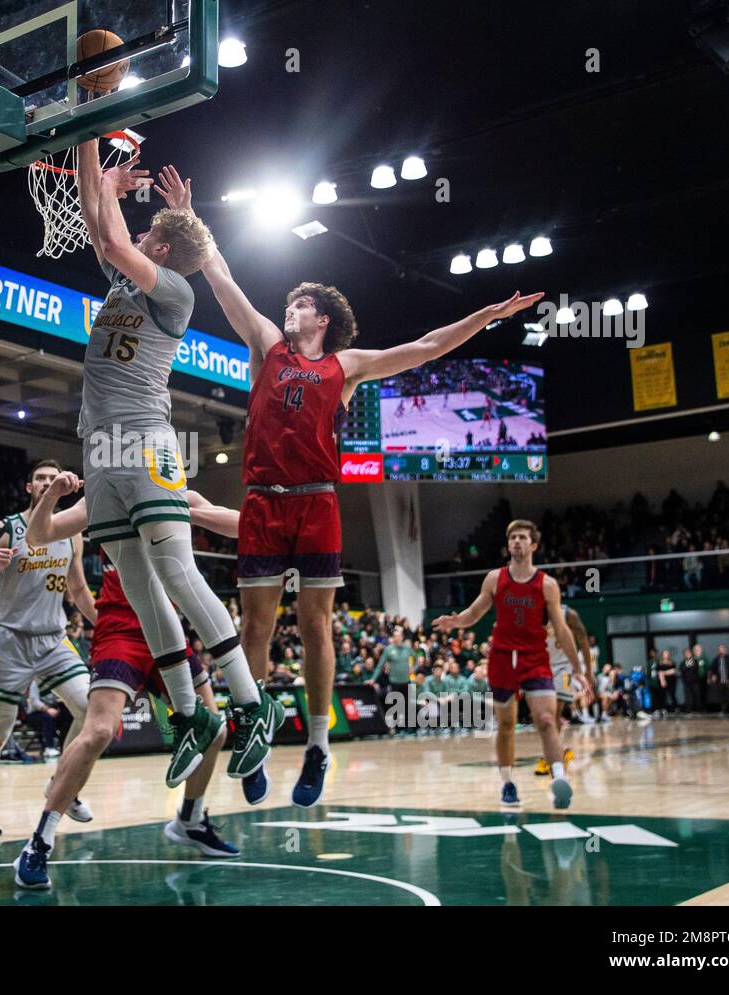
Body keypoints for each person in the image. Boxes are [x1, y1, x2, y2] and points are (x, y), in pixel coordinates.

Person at [185, 162, 543, 807]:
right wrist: (192, 218)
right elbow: (221, 276)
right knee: (255, 633)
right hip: (263, 503)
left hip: (317, 504)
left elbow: (427, 348)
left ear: (319, 317)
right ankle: (255, 732)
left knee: (317, 627)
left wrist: (485, 316)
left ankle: (318, 745)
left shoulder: (346, 367)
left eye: (298, 303)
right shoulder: (265, 344)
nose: (286, 308)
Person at [73, 141, 274, 793]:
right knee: (138, 583)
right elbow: (97, 227)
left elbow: (108, 234)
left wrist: (90, 133)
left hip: (146, 442)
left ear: (160, 249)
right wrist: (97, 176)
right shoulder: (132, 276)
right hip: (101, 449)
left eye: (149, 230)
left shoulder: (177, 291)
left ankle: (251, 704)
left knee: (177, 571)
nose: (138, 231)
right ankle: (188, 713)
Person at [15, 476, 242, 888]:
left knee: (213, 728)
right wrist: (51, 494)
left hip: (168, 627)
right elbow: (39, 534)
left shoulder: (175, 492)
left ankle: (191, 818)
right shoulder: (102, 494)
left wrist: (283, 512)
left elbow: (238, 524)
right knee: (98, 730)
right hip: (122, 626)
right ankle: (39, 841)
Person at [0, 459, 96, 835]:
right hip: (9, 638)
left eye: (54, 478)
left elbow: (78, 589)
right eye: (41, 478)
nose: (47, 483)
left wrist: (105, 623)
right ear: (29, 487)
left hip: (53, 638)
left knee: (89, 709)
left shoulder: (72, 532)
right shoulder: (7, 527)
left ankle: (60, 785)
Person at [433, 520, 583, 809]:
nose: (516, 541)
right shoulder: (494, 579)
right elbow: (475, 612)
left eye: (522, 537)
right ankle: (508, 783)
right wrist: (455, 621)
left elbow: (562, 630)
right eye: (512, 537)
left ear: (533, 545)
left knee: (547, 720)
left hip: (534, 658)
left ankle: (559, 778)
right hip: (502, 658)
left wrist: (578, 668)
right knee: (506, 725)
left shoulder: (547, 585)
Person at [534, 605, 593, 777]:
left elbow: (582, 640)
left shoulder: (569, 614)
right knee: (542, 716)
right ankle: (559, 751)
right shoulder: (531, 610)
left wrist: (587, 670)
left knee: (554, 713)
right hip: (540, 665)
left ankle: (551, 758)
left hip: (563, 667)